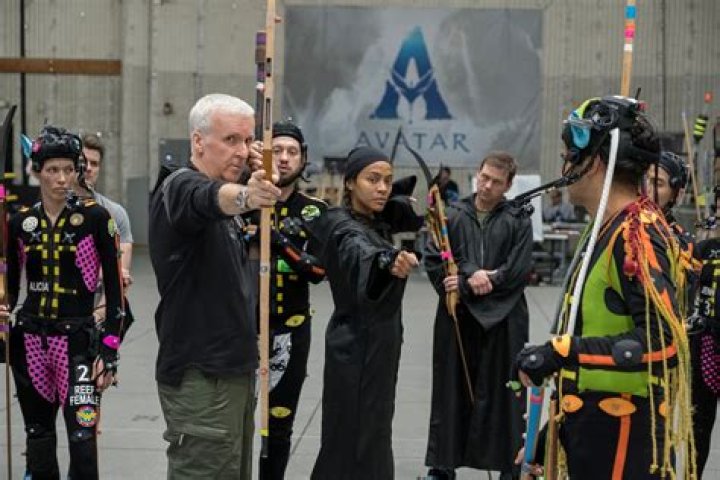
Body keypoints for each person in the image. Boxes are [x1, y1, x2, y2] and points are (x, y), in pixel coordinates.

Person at [516, 95, 695, 479]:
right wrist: (549, 438)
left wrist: (562, 352)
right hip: (592, 430)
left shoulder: (637, 234)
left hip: (623, 436)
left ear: (593, 162)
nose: (564, 167)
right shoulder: (604, 228)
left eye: (568, 156)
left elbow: (664, 342)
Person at [149, 93, 281, 479]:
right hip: (202, 378)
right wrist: (248, 195)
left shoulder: (227, 198)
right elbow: (207, 198)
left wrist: (257, 178)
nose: (241, 151)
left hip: (232, 372)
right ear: (198, 141)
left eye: (247, 140)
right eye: (230, 140)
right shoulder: (179, 187)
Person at [6, 126, 123, 479]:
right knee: (38, 436)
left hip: (78, 346)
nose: (61, 178)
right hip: (30, 341)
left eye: (69, 169)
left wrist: (110, 349)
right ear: (37, 171)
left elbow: (115, 291)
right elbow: (10, 290)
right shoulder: (20, 223)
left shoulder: (96, 219)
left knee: (83, 438)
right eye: (52, 170)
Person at [307, 146, 419, 479]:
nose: (382, 188)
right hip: (356, 347)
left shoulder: (373, 220)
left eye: (388, 180)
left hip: (379, 345)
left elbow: (403, 212)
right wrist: (388, 261)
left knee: (373, 430)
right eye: (373, 179)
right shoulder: (342, 227)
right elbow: (360, 253)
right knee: (350, 434)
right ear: (350, 182)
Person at [423, 152, 533, 480]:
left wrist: (483, 280)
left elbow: (519, 269)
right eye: (483, 177)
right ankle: (442, 465)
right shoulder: (451, 215)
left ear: (508, 185)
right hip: (459, 314)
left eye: (496, 182)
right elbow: (437, 257)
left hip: (506, 316)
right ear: (477, 174)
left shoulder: (517, 219)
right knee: (450, 389)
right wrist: (468, 280)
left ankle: (510, 467)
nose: (486, 186)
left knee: (509, 391)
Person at [253, 120, 326, 479]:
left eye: (292, 152)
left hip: (290, 331)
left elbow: (317, 271)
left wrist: (279, 240)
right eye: (277, 150)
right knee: (233, 420)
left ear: (303, 159)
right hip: (243, 330)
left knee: (278, 425)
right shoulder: (244, 202)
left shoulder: (315, 210)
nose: (283, 158)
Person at [77, 133, 135, 332]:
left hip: (98, 320)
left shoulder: (116, 214)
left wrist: (97, 319)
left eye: (95, 163)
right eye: (83, 161)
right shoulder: (48, 212)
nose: (89, 168)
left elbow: (120, 276)